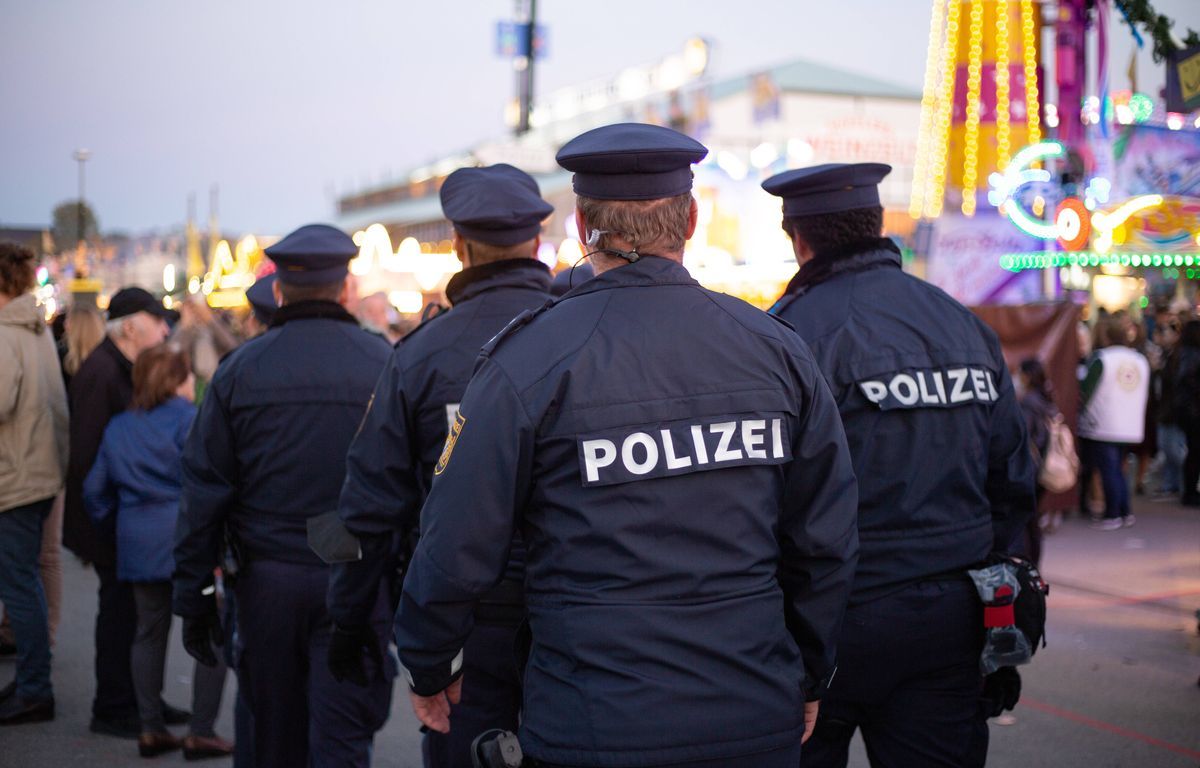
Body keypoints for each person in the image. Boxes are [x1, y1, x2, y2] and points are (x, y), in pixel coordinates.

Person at [394, 124, 860, 768]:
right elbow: (824, 538)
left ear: (583, 228)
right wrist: (809, 671)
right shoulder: (775, 349)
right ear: (691, 219)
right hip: (750, 710)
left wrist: (426, 658)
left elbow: (456, 538)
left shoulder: (528, 358)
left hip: (595, 721)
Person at [761, 163, 1036, 768]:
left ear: (799, 239)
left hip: (824, 619)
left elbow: (764, 495)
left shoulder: (786, 335)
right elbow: (1013, 480)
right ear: (878, 225)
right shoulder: (963, 325)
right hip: (948, 614)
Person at [328, 163, 554, 768]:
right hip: (578, 613)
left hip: (464, 623)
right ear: (537, 242)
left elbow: (368, 510)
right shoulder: (584, 334)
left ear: (459, 246)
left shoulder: (419, 358)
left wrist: (348, 618)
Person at [173, 224, 394, 768]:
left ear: (278, 292)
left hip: (267, 582)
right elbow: (410, 485)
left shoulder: (240, 371)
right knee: (343, 738)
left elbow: (204, 491)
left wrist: (195, 596)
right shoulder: (386, 364)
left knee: (273, 738)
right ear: (343, 288)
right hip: (358, 579)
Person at [83, 344, 233, 759]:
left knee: (148, 633)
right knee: (210, 631)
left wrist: (119, 526)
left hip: (137, 539)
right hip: (188, 540)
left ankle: (150, 727)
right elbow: (209, 483)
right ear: (177, 380)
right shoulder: (192, 421)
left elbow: (95, 491)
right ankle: (200, 730)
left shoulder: (119, 427)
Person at [63, 285, 180, 738]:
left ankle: (142, 702)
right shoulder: (102, 371)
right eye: (157, 321)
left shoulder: (120, 366)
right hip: (108, 522)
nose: (165, 329)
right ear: (130, 326)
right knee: (118, 617)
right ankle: (113, 707)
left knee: (135, 618)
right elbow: (87, 459)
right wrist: (107, 524)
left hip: (118, 520)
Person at [0, 242, 69, 725]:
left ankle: (34, 689)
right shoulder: (34, 327)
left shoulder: (7, 332)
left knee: (19, 583)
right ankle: (31, 682)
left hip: (15, 474)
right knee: (25, 578)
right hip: (38, 472)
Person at [1078, 317, 1151, 529]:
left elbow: (1086, 391)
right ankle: (1124, 510)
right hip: (1131, 423)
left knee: (1109, 469)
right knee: (1119, 468)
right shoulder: (1140, 360)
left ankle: (1113, 513)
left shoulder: (1102, 358)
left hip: (1103, 424)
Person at [1017, 357, 1061, 565]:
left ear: (1026, 376)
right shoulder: (1046, 397)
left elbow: (1024, 435)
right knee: (1033, 520)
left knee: (1027, 522)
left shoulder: (1029, 401)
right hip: (1045, 465)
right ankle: (1035, 564)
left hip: (1032, 468)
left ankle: (1031, 564)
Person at [171, 296, 239, 396]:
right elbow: (172, 355)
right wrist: (185, 327)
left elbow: (233, 346)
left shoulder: (219, 324)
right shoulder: (182, 329)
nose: (197, 312)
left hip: (220, 382)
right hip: (195, 386)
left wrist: (210, 320)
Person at [1173, 319, 1200, 506]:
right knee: (1194, 451)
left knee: (1193, 451)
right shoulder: (1191, 355)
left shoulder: (1184, 353)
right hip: (1193, 410)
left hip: (1188, 409)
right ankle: (1190, 492)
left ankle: (1189, 491)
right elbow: (1188, 379)